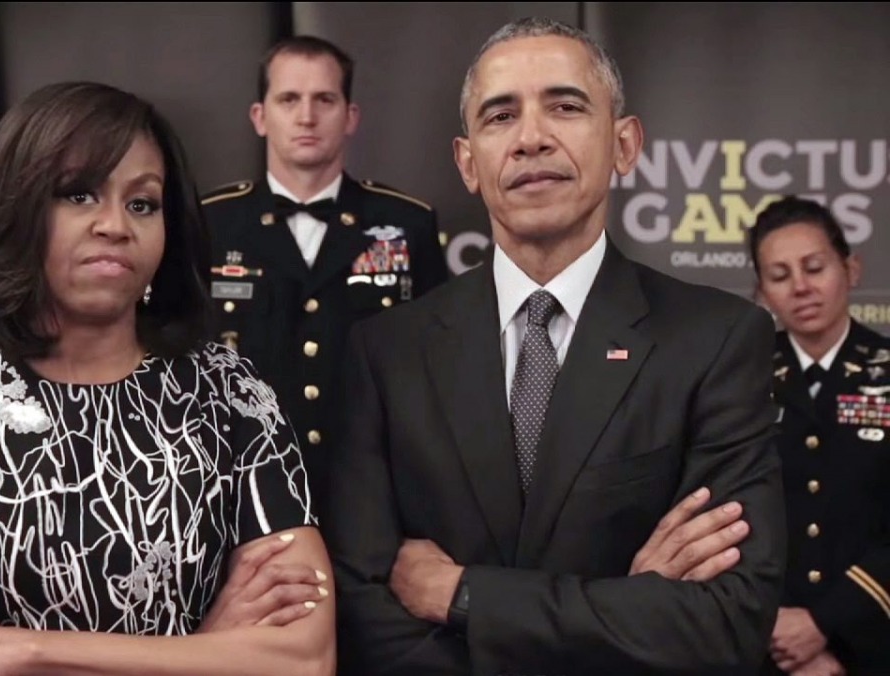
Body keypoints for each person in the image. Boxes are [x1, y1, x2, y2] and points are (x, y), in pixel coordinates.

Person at [324, 17, 787, 676]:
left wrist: (464, 596)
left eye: (566, 108)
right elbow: (363, 616)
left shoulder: (717, 339)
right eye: (500, 116)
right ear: (468, 163)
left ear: (624, 144)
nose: (531, 138)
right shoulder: (386, 354)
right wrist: (627, 605)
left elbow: (726, 621)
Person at [0, 82, 336, 676]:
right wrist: (205, 652)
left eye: (143, 203)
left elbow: (304, 660)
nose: (115, 224)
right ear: (16, 208)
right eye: (78, 195)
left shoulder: (229, 393)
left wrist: (22, 649)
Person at [200, 35, 448, 503]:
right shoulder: (209, 223)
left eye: (324, 100)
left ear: (351, 116)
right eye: (289, 99)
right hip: (241, 487)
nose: (307, 116)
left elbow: (440, 372)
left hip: (374, 491)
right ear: (259, 116)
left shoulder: (406, 222)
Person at [749, 196, 890, 676]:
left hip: (873, 642)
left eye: (814, 268)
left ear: (851, 270)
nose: (801, 288)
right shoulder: (737, 378)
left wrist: (827, 625)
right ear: (761, 292)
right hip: (762, 644)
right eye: (780, 275)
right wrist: (773, 629)